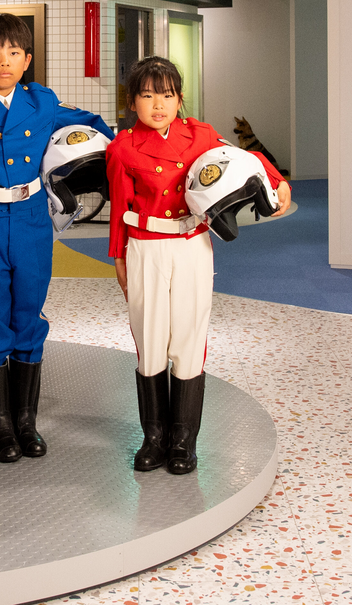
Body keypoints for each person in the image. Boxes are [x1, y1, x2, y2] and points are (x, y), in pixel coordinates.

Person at [0, 13, 115, 463]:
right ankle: (0, 428)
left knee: (29, 317)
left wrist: (114, 161)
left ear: (27, 59)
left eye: (14, 53)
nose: (5, 61)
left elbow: (92, 123)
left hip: (33, 221)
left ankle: (26, 423)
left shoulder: (42, 102)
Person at [106, 56, 290, 474]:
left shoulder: (199, 135)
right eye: (147, 95)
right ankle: (154, 438)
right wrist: (118, 257)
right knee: (150, 338)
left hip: (191, 244)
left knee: (189, 338)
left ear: (180, 98)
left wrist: (278, 181)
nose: (158, 105)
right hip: (146, 247)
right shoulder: (122, 148)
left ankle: (183, 442)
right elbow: (119, 208)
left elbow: (244, 158)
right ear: (132, 101)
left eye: (167, 95)